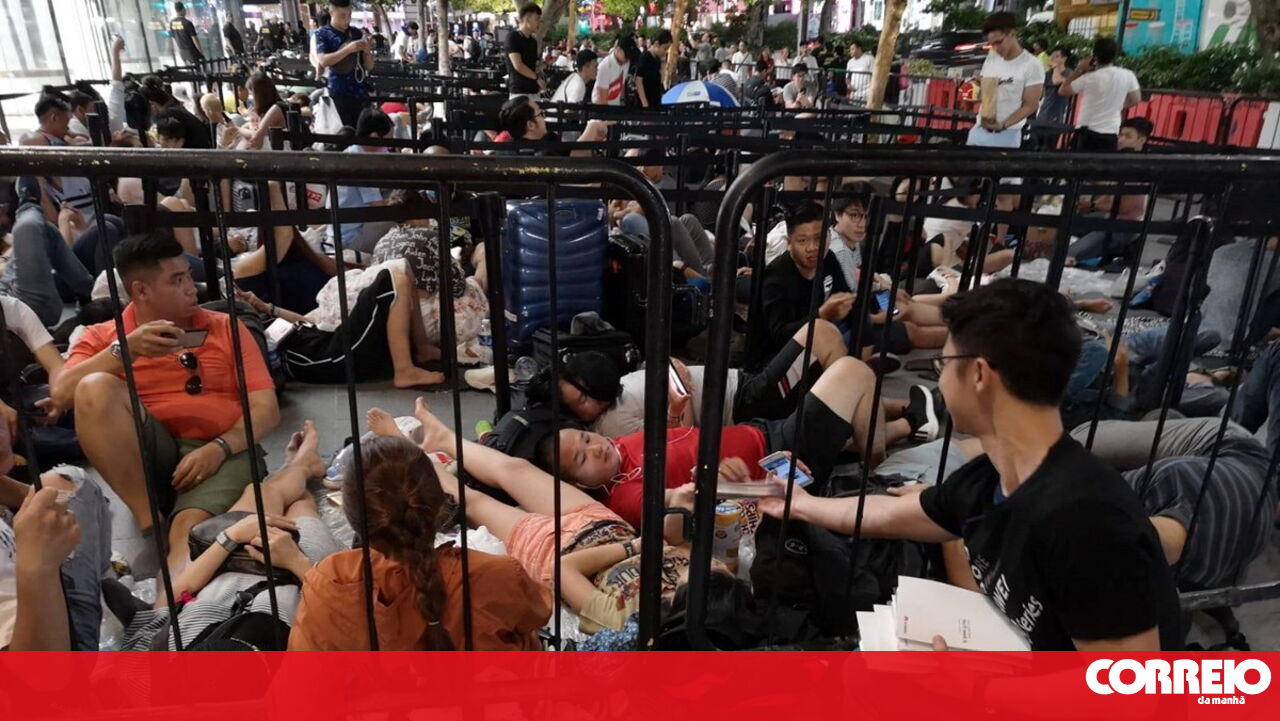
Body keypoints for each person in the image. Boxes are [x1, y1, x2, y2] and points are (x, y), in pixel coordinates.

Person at [762, 279, 1183, 651]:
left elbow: (1122, 692)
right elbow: (892, 513)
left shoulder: (1085, 521)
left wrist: (973, 687)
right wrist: (800, 504)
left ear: (979, 375)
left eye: (944, 364)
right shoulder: (992, 479)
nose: (940, 380)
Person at [366, 402, 756, 641]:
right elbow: (678, 543)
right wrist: (682, 509)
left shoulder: (625, 619)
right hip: (604, 524)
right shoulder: (717, 584)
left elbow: (562, 568)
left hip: (559, 547)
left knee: (473, 500)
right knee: (516, 470)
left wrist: (637, 546)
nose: (680, 582)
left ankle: (410, 452)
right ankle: (443, 438)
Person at [52, 231, 281, 578]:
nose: (192, 288)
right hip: (150, 457)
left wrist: (220, 447)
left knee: (188, 533)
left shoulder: (225, 327)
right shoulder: (104, 336)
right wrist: (124, 351)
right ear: (141, 291)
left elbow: (266, 408)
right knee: (94, 387)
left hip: (221, 449)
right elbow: (62, 394)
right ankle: (151, 527)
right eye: (177, 280)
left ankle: (169, 597)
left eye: (188, 275)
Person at [290, 433, 550, 649]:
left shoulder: (329, 580)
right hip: (491, 694)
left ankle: (295, 469)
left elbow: (302, 682)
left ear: (352, 518)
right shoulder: (497, 574)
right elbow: (536, 615)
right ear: (439, 503)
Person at [106, 422, 340, 650]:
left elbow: (169, 599)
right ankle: (301, 466)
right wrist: (296, 561)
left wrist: (231, 537)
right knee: (300, 505)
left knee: (260, 493)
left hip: (229, 560)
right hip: (301, 573)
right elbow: (342, 612)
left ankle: (299, 466)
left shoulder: (167, 655)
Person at [1, 177, 95, 327]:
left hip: (12, 287)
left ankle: (88, 293)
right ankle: (29, 205)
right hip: (16, 306)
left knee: (46, 230)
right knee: (28, 227)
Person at [1066, 117, 1153, 265]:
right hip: (1110, 218)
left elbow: (1123, 207)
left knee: (1068, 254)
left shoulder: (1138, 169)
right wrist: (1092, 205)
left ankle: (1122, 248)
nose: (1121, 139)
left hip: (1124, 227)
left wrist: (1093, 205)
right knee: (1068, 223)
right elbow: (1109, 193)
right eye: (1121, 135)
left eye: (1128, 136)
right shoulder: (1122, 161)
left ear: (1141, 140)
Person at [968, 12, 1043, 149]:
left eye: (999, 42)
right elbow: (983, 94)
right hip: (978, 130)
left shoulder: (1032, 65)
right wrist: (974, 86)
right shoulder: (992, 58)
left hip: (1007, 135)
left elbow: (1031, 105)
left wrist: (1003, 125)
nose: (996, 48)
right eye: (992, 44)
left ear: (1012, 34)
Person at [325, 108, 392, 253]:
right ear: (375, 137)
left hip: (338, 233)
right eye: (388, 142)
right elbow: (378, 207)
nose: (389, 148)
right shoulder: (362, 163)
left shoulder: (352, 153)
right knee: (399, 219)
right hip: (349, 239)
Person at [1060, 37, 1142, 151]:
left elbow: (1062, 91)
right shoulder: (1128, 75)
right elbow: (1136, 99)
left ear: (1095, 56)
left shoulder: (1089, 78)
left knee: (1078, 161)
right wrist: (1117, 105)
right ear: (1115, 56)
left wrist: (1079, 69)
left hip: (1086, 131)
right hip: (1111, 132)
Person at [314, 0, 375, 128]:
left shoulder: (357, 33)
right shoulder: (323, 33)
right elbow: (323, 60)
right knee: (345, 132)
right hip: (338, 93)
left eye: (349, 15)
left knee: (364, 132)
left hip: (360, 92)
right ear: (331, 13)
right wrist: (348, 49)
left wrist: (367, 51)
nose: (347, 20)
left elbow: (369, 66)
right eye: (342, 16)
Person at [506, 4, 543, 99]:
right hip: (519, 92)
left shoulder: (533, 41)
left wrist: (545, 65)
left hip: (534, 91)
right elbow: (518, 66)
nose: (539, 23)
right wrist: (537, 78)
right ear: (527, 19)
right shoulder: (513, 37)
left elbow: (532, 66)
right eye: (537, 19)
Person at [594, 35, 637, 106]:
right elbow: (602, 99)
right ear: (618, 49)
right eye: (626, 56)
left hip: (616, 104)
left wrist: (622, 101)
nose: (627, 59)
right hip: (601, 105)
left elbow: (622, 83)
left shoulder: (626, 62)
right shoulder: (605, 66)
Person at [1038, 45, 1073, 131]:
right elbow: (1041, 93)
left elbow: (1056, 81)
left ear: (1064, 59)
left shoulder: (1069, 73)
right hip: (1043, 114)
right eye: (1052, 56)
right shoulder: (1048, 74)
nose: (1052, 58)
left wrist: (1055, 67)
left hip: (1057, 116)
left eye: (1056, 56)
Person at [635, 30, 671, 109]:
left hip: (655, 99)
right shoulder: (645, 57)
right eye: (665, 48)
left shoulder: (657, 59)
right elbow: (638, 81)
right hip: (646, 100)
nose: (665, 52)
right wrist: (644, 103)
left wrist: (663, 62)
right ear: (657, 44)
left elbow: (661, 79)